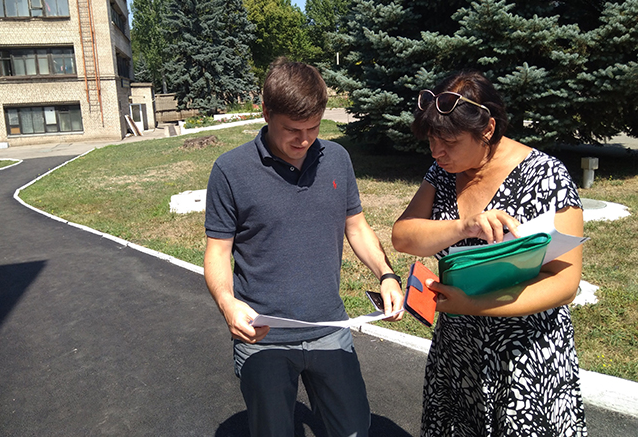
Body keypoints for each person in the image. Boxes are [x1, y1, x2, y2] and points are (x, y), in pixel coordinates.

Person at [203, 59, 404, 437]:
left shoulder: (337, 159)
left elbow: (356, 227)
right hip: (263, 336)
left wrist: (387, 274)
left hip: (330, 326)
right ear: (266, 113)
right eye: (292, 130)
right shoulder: (230, 170)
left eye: (313, 128)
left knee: (353, 429)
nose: (304, 140)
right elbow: (217, 252)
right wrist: (227, 303)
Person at [392, 70, 587, 436]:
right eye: (432, 140)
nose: (436, 152)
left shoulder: (547, 176)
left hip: (525, 359)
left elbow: (565, 283)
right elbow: (403, 236)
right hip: (458, 355)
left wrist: (473, 305)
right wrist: (463, 226)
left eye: (449, 142)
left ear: (487, 129)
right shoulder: (443, 172)